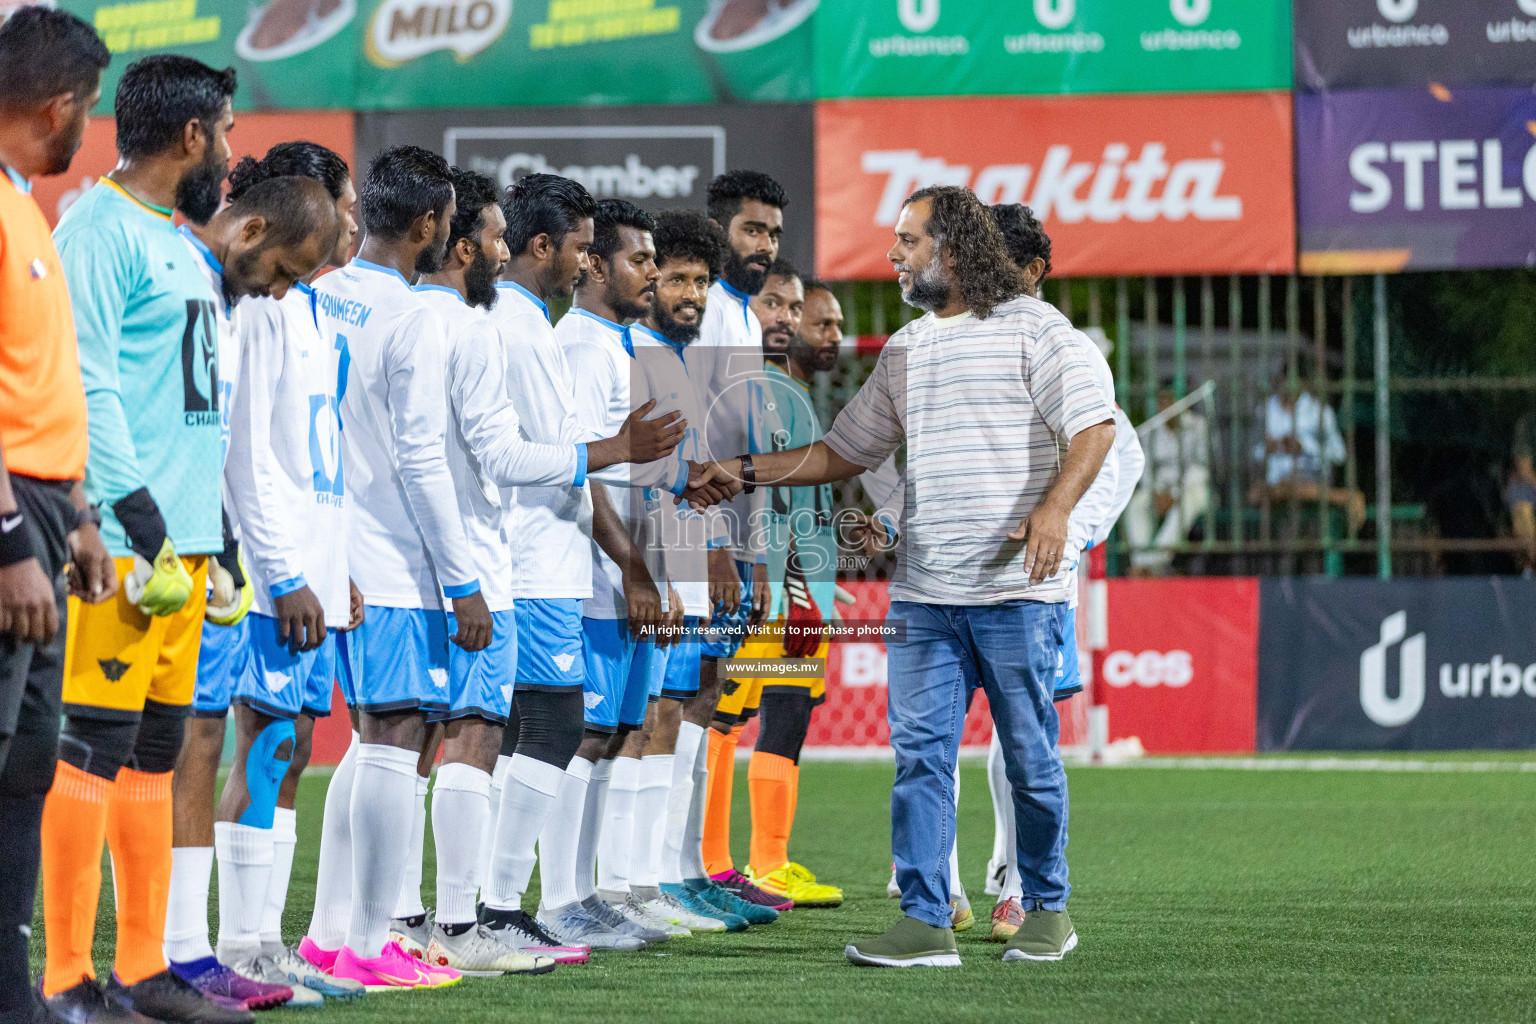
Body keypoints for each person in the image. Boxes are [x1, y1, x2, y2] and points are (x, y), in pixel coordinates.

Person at [684, 184, 1115, 967]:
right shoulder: (908, 349)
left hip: (1018, 592)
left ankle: (1049, 907)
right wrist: (740, 470)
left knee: (1029, 755)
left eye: (909, 241)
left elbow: (1096, 426)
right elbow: (843, 452)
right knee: (920, 758)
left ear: (952, 247)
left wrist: (1057, 511)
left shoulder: (1038, 330)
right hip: (925, 596)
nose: (894, 255)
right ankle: (925, 918)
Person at [41, 54, 262, 1024]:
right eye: (223, 131)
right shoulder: (94, 229)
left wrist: (218, 540)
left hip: (186, 554)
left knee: (156, 750)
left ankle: (141, 971)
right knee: (92, 745)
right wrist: (143, 527)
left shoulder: (179, 241)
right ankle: (64, 977)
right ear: (189, 138)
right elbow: (86, 388)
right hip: (127, 554)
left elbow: (189, 412)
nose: (229, 150)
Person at [418, 170, 681, 969]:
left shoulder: (530, 322)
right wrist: (612, 453)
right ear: (542, 248)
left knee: (534, 729)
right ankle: (492, 906)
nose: (585, 262)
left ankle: (492, 905)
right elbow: (524, 456)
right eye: (579, 248)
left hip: (543, 559)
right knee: (551, 727)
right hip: (532, 561)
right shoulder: (527, 329)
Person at [162, 142, 366, 1008]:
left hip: (310, 563)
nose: (352, 221)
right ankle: (217, 943)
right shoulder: (258, 308)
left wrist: (336, 559)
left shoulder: (313, 308)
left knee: (288, 751)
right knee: (235, 740)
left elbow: (322, 454)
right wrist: (282, 569)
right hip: (259, 567)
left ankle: (257, 941)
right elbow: (243, 449)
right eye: (342, 203)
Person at [297, 144, 486, 992]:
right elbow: (420, 459)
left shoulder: (316, 294)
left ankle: (329, 932)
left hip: (334, 557)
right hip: (396, 564)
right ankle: (371, 940)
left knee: (370, 742)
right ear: (426, 225)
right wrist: (462, 578)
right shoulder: (414, 316)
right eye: (447, 218)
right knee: (394, 744)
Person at [0, 12, 114, 1024]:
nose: (91, 126)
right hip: (4, 525)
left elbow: (33, 389)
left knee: (26, 765)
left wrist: (75, 515)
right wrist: (8, 544)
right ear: (58, 106)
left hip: (43, 512)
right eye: (89, 106)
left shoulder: (23, 207)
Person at [556, 198, 704, 940]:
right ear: (594, 264)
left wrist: (661, 571)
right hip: (593, 581)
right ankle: (562, 899)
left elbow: (640, 473)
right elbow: (582, 474)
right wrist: (637, 574)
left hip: (631, 577)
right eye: (640, 259)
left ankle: (598, 891)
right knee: (585, 735)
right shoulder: (581, 348)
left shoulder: (623, 347)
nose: (651, 271)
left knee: (619, 732)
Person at [619, 210, 756, 934]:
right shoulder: (634, 351)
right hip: (652, 569)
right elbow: (638, 478)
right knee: (649, 719)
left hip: (692, 562)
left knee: (690, 707)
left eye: (702, 280)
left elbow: (694, 470)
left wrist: (720, 549)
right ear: (647, 278)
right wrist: (673, 567)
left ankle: (667, 874)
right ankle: (635, 881)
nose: (692, 293)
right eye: (676, 277)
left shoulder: (686, 357)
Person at [702, 262, 844, 911]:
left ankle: (769, 861)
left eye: (809, 316)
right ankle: (713, 862)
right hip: (758, 589)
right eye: (823, 321)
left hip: (798, 594)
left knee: (787, 716)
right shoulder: (739, 389)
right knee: (723, 718)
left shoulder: (792, 397)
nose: (826, 332)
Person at [1252, 376, 1362, 533]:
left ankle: (1342, 496)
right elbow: (1255, 453)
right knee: (1259, 494)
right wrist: (1272, 447)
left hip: (1310, 479)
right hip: (1277, 483)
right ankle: (1343, 496)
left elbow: (1339, 454)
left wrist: (1305, 447)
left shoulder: (1319, 411)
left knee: (1288, 490)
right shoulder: (1266, 410)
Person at [1125, 386, 1209, 575]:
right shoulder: (1151, 430)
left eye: (1170, 401)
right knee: (1136, 505)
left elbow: (1200, 469)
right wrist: (1156, 493)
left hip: (1190, 489)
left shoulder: (1198, 427)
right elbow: (1145, 469)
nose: (1165, 407)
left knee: (1186, 504)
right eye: (1161, 401)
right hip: (1159, 490)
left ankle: (1152, 564)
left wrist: (1176, 494)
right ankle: (1143, 562)